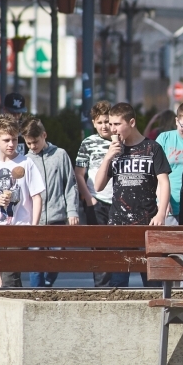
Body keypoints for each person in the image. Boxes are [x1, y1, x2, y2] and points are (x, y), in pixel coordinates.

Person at [94, 103, 171, 287]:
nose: (113, 129)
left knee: (152, 281)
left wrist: (160, 213)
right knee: (118, 282)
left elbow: (164, 181)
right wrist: (108, 158)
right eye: (111, 124)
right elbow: (98, 185)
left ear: (132, 122)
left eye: (117, 124)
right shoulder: (114, 151)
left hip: (147, 221)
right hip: (119, 223)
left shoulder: (152, 148)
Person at [0, 115, 45, 288]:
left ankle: (13, 303)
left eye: (14, 139)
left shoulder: (26, 163)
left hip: (20, 227)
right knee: (3, 273)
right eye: (6, 140)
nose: (11, 144)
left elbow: (37, 196)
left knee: (10, 273)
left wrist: (34, 227)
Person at [22, 117, 79, 288]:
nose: (32, 146)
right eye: (28, 143)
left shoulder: (59, 154)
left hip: (56, 216)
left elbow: (70, 184)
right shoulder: (25, 160)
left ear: (44, 135)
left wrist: (72, 211)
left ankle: (46, 284)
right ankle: (37, 292)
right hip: (35, 219)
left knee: (57, 258)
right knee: (35, 262)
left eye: (35, 142)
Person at [75, 101, 114, 287]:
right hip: (96, 201)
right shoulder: (88, 143)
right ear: (93, 123)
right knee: (98, 247)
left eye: (107, 121)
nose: (104, 126)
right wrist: (89, 199)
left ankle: (118, 285)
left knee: (117, 246)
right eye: (100, 122)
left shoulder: (120, 141)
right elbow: (79, 174)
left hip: (118, 202)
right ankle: (102, 287)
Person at [3, 92, 29, 156]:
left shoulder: (26, 130)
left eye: (19, 113)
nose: (16, 117)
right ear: (5, 110)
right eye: (13, 113)